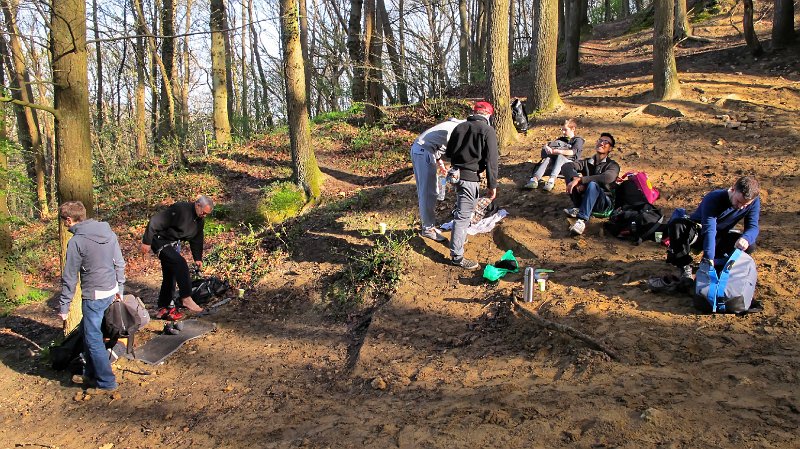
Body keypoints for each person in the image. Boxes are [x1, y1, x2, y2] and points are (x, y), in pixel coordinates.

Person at [57, 201, 125, 391]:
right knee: (88, 333)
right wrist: (120, 288)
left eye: (64, 222)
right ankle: (89, 373)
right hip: (111, 291)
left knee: (92, 338)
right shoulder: (108, 233)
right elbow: (119, 262)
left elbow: (70, 278)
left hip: (94, 296)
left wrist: (64, 307)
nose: (65, 226)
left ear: (69, 219)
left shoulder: (76, 242)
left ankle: (106, 381)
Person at [661, 176, 760, 286]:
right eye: (738, 201)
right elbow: (709, 230)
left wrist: (745, 238)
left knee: (749, 245)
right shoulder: (714, 198)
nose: (741, 207)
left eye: (745, 205)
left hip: (720, 236)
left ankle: (719, 265)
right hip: (699, 233)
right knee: (677, 225)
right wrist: (708, 258)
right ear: (733, 189)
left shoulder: (753, 202)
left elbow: (753, 226)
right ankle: (685, 266)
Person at [443, 101, 499, 270]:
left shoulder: (459, 127)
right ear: (488, 115)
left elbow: (449, 153)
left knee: (464, 209)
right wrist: (492, 185)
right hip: (470, 178)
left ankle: (458, 239)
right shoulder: (487, 131)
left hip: (456, 175)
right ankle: (457, 256)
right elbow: (491, 161)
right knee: (463, 216)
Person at [141, 195, 213, 319]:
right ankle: (186, 297)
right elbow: (155, 221)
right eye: (203, 212)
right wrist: (146, 242)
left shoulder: (199, 220)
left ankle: (164, 307)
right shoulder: (179, 210)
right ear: (197, 205)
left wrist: (197, 257)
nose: (204, 215)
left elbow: (197, 238)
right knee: (180, 263)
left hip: (173, 244)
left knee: (171, 274)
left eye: (207, 214)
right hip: (159, 240)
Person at [411, 118, 465, 242]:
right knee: (428, 192)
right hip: (423, 152)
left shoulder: (455, 125)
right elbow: (456, 153)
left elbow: (434, 142)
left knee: (430, 191)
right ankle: (428, 229)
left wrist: (439, 162)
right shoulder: (458, 130)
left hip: (423, 150)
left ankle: (429, 226)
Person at [562, 133, 620, 236]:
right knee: (572, 177)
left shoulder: (613, 165)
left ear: (610, 149)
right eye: (600, 140)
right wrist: (575, 179)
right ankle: (579, 208)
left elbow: (608, 178)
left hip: (603, 203)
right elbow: (566, 166)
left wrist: (582, 180)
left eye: (606, 142)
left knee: (593, 185)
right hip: (584, 199)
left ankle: (581, 220)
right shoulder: (587, 162)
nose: (602, 143)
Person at [524, 119, 585, 191]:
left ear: (573, 129)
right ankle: (534, 180)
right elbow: (549, 145)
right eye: (562, 130)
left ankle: (551, 181)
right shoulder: (561, 139)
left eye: (565, 130)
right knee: (548, 158)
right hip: (555, 163)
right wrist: (547, 148)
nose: (563, 132)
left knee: (560, 156)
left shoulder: (578, 140)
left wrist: (558, 151)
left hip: (569, 163)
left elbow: (572, 152)